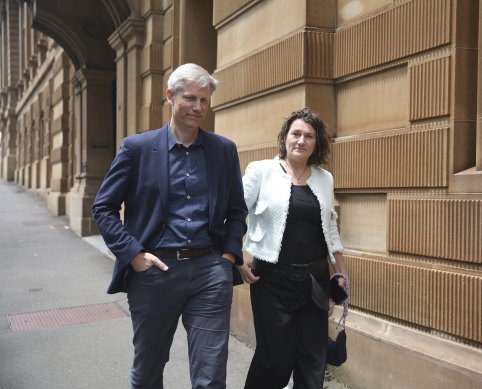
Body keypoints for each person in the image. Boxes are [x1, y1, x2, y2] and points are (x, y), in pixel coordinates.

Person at [92, 63, 253, 389]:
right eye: (191, 98)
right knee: (148, 371)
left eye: (204, 101)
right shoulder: (137, 149)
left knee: (210, 378)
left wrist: (229, 257)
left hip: (210, 271)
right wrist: (134, 255)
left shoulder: (223, 150)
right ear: (170, 96)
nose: (198, 107)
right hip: (155, 273)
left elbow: (237, 210)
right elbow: (103, 207)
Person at [241, 107, 349, 389]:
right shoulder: (261, 171)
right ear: (285, 137)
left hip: (315, 280)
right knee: (274, 359)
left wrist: (341, 272)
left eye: (309, 136)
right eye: (296, 134)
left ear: (317, 143)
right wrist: (238, 259)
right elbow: (233, 214)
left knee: (313, 359)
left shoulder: (324, 179)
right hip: (271, 281)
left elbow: (331, 227)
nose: (301, 140)